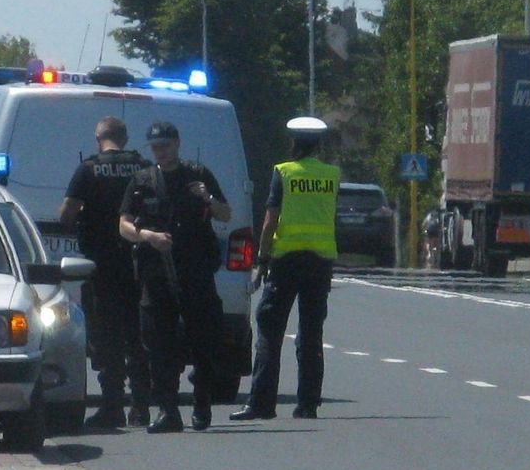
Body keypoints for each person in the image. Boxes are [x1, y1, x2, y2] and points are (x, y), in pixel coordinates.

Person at [119, 121, 232, 433]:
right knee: (158, 343)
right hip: (156, 272)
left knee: (204, 340)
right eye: (156, 147)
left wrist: (208, 198)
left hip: (194, 271)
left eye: (166, 145)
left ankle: (202, 402)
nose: (162, 151)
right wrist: (148, 237)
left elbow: (226, 214)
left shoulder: (198, 175)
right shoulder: (142, 179)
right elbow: (124, 224)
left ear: (178, 144)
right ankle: (168, 411)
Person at [231, 117, 339, 421]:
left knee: (269, 330)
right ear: (318, 144)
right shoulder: (331, 174)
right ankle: (308, 405)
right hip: (319, 263)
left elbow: (270, 220)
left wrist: (261, 261)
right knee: (311, 334)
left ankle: (261, 404)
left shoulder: (284, 172)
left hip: (286, 261)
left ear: (293, 143)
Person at [58, 117, 153, 428]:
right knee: (138, 335)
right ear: (124, 139)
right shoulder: (142, 166)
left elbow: (67, 215)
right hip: (139, 263)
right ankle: (141, 407)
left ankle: (112, 406)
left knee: (108, 336)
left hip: (102, 266)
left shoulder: (89, 169)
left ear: (98, 138)